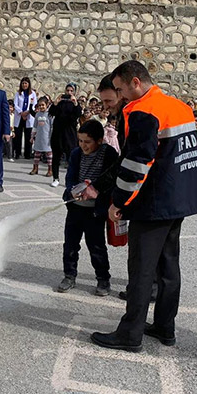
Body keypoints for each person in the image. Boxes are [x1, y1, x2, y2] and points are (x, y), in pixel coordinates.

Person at [88, 60, 197, 352]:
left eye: (120, 89)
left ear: (135, 83)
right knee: (168, 268)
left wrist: (118, 201)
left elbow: (136, 163)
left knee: (141, 271)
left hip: (154, 202)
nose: (119, 96)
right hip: (178, 200)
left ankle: (130, 335)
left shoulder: (143, 111)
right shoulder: (177, 105)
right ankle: (165, 327)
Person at [58, 120, 119, 296]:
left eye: (87, 142)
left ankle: (103, 280)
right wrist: (72, 191)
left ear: (99, 140)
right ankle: (69, 275)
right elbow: (70, 177)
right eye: (80, 141)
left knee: (96, 246)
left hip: (95, 210)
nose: (83, 145)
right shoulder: (76, 154)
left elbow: (112, 181)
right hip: (75, 207)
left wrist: (98, 194)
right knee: (70, 244)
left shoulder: (109, 154)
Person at [49, 84, 81, 188]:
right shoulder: (60, 102)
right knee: (56, 157)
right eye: (67, 90)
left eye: (71, 91)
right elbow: (51, 113)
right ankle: (56, 178)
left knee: (71, 158)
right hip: (58, 133)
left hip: (69, 134)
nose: (69, 93)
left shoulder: (75, 104)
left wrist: (75, 103)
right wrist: (55, 103)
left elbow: (78, 115)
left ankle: (72, 180)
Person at [13, 77, 37, 160]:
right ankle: (18, 153)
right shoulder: (18, 93)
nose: (24, 85)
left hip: (29, 116)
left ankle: (28, 153)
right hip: (19, 116)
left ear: (29, 84)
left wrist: (27, 112)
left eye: (26, 83)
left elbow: (34, 105)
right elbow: (15, 104)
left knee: (28, 136)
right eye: (23, 83)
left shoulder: (32, 94)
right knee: (18, 136)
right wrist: (21, 112)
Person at [29, 96, 53, 176]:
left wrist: (52, 137)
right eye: (39, 105)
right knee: (37, 153)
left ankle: (50, 169)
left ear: (47, 105)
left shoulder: (50, 115)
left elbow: (52, 127)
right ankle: (35, 168)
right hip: (39, 137)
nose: (41, 107)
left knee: (49, 154)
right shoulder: (37, 115)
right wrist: (32, 137)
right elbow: (35, 126)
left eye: (43, 105)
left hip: (47, 137)